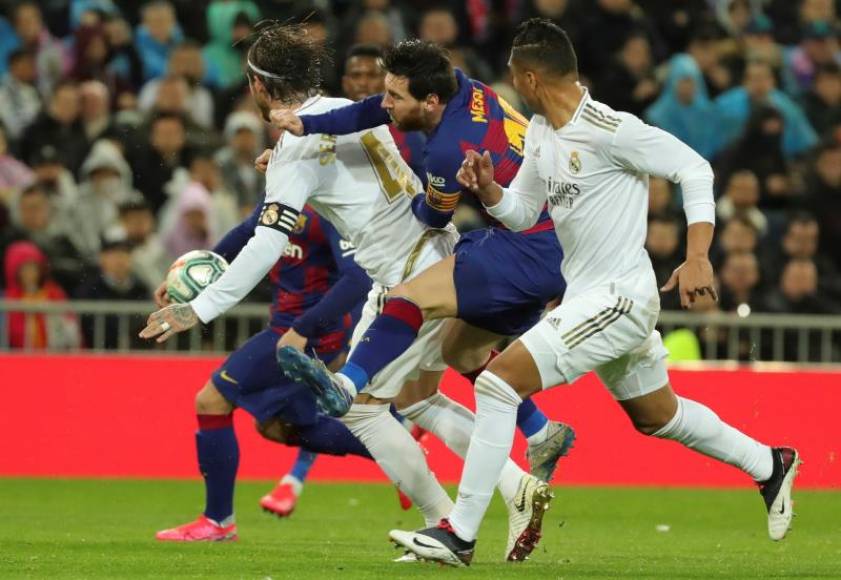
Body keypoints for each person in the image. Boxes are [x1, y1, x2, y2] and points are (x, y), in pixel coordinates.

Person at [389, 19, 800, 566]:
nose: (511, 85)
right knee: (657, 415)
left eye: (513, 75)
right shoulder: (541, 131)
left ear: (531, 78)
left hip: (618, 298)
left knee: (497, 384)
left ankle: (459, 533)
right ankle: (770, 464)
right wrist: (488, 190)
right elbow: (523, 212)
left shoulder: (611, 130)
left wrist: (699, 254)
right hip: (589, 295)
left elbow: (694, 169)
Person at [140, 23, 550, 560]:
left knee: (357, 409)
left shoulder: (298, 148)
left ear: (259, 86)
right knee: (416, 398)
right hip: (437, 251)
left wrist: (200, 307)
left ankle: (444, 523)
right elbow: (342, 167)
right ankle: (513, 486)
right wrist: (288, 166)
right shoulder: (342, 108)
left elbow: (267, 244)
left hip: (404, 274)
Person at [270, 40, 576, 484]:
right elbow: (373, 111)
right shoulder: (470, 89)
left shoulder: (449, 149)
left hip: (527, 248)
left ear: (430, 101)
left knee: (409, 297)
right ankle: (540, 431)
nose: (385, 103)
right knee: (459, 351)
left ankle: (347, 383)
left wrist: (413, 197)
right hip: (556, 243)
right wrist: (307, 124)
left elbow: (434, 216)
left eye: (395, 96)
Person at [154, 202, 377, 541]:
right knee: (279, 427)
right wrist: (190, 277)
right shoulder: (283, 194)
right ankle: (394, 450)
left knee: (211, 401)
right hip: (289, 329)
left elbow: (358, 278)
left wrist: (303, 329)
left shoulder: (327, 207)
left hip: (303, 335)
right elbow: (247, 233)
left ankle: (217, 521)